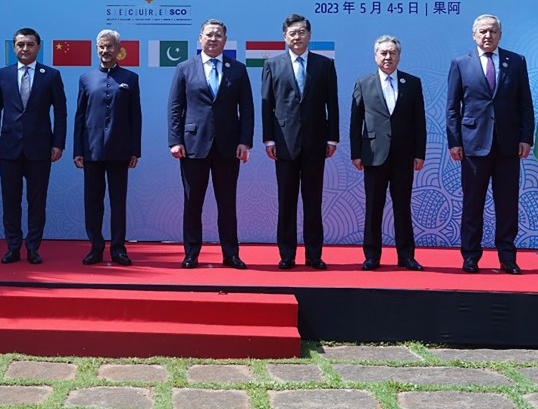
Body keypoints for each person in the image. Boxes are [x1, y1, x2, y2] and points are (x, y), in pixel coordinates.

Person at [447, 14, 534, 274]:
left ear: (500, 34)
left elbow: (525, 105)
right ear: (474, 35)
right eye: (483, 31)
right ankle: (471, 256)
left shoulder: (516, 62)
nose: (488, 36)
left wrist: (526, 137)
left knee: (507, 204)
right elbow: (453, 108)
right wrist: (455, 142)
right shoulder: (461, 63)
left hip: (508, 146)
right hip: (473, 145)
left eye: (493, 31)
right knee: (473, 203)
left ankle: (507, 256)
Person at [168, 18, 254, 270]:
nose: (213, 39)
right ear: (200, 38)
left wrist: (245, 141)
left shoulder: (238, 69)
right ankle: (191, 253)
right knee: (192, 202)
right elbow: (175, 107)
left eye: (218, 35)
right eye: (209, 35)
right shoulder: (185, 68)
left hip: (228, 147)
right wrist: (175, 140)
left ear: (225, 41)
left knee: (227, 203)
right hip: (193, 145)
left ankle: (231, 254)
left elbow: (246, 108)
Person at [261, 14, 339, 270]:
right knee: (286, 201)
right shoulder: (272, 65)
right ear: (285, 37)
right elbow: (267, 105)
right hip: (284, 143)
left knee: (313, 201)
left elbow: (332, 105)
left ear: (309, 35)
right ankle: (287, 254)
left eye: (302, 32)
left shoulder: (324, 65)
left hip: (316, 143)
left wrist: (333, 138)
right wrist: (268, 139)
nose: (297, 37)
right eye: (292, 33)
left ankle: (314, 254)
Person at [0, 28, 67, 264]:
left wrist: (58, 143)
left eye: (30, 44)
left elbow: (61, 113)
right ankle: (13, 246)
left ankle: (33, 247)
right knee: (10, 200)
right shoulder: (3, 74)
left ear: (38, 47)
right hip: (9, 147)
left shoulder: (51, 75)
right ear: (13, 47)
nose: (25, 49)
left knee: (37, 200)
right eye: (20, 44)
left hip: (40, 148)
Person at [350, 36, 426, 271]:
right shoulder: (364, 83)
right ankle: (372, 255)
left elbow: (419, 122)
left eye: (392, 53)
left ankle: (406, 256)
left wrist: (419, 153)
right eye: (383, 53)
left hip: (403, 156)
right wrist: (356, 153)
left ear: (399, 56)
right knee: (373, 205)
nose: (387, 57)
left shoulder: (412, 83)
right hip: (374, 154)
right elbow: (356, 122)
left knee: (402, 206)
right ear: (375, 56)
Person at [73, 29, 141, 266]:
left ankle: (118, 249)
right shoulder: (86, 78)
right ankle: (95, 247)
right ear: (96, 48)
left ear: (118, 48)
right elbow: (79, 117)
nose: (105, 51)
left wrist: (135, 150)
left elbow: (136, 117)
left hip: (120, 151)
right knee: (93, 201)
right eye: (101, 46)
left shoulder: (130, 78)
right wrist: (77, 150)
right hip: (91, 151)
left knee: (118, 202)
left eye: (109, 46)